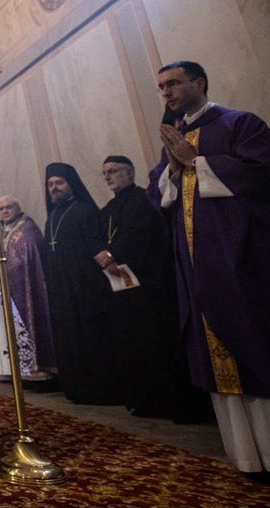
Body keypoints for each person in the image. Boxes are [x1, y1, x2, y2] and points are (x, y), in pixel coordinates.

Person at [148, 60, 270, 495]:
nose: (167, 92)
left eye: (174, 83)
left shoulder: (240, 124)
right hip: (203, 268)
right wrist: (175, 171)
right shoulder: (175, 138)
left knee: (265, 347)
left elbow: (267, 179)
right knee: (222, 356)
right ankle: (252, 456)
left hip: (250, 262)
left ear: (199, 83)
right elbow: (157, 194)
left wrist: (197, 161)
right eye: (161, 87)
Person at [96, 156, 204, 419]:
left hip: (148, 288)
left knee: (154, 343)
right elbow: (100, 238)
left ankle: (164, 401)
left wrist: (114, 255)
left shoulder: (145, 199)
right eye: (105, 173)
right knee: (130, 345)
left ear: (130, 172)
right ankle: (140, 400)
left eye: (113, 171)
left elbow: (143, 236)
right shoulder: (108, 209)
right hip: (121, 290)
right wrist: (101, 254)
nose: (109, 176)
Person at [41, 162, 121, 405]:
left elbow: (95, 245)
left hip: (84, 287)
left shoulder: (84, 210)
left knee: (90, 337)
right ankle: (74, 386)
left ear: (71, 184)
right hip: (60, 289)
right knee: (68, 336)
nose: (54, 188)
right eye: (50, 184)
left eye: (59, 183)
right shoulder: (51, 217)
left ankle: (99, 389)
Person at [0, 195, 56, 381]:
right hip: (10, 288)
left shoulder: (27, 229)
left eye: (9, 207)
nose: (5, 211)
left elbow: (29, 255)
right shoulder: (4, 230)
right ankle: (19, 369)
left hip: (25, 285)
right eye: (2, 209)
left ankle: (38, 370)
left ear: (18, 207)